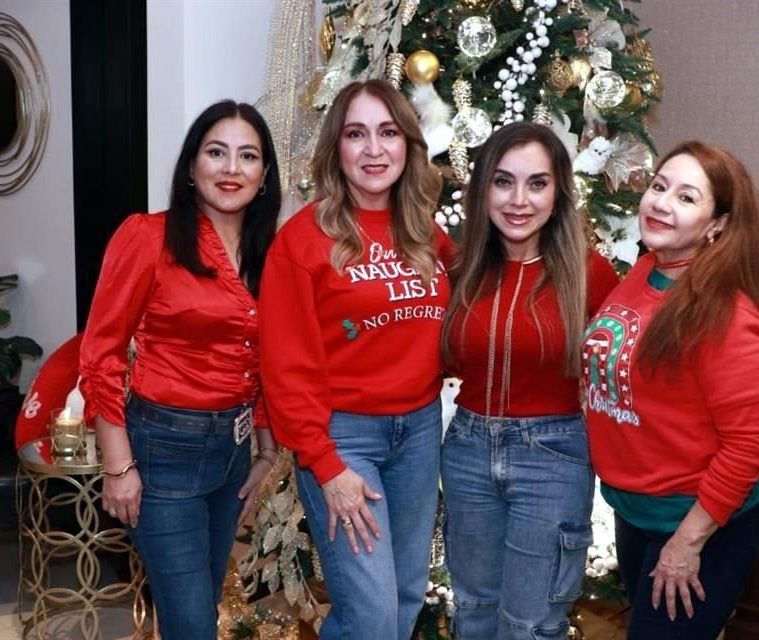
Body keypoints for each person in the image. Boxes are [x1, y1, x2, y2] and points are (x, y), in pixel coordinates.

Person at [78, 100, 282, 640]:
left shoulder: (272, 254)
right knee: (192, 624)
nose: (231, 168)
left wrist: (264, 451)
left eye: (248, 156)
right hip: (164, 452)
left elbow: (265, 363)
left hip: (234, 456)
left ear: (264, 175)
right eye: (216, 152)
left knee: (199, 611)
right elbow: (99, 354)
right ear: (192, 166)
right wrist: (118, 466)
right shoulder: (148, 237)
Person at [257, 79, 451, 639]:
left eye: (388, 133)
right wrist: (326, 465)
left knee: (405, 596)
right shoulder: (302, 241)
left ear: (408, 145)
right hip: (343, 441)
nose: (373, 149)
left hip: (417, 432)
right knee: (370, 617)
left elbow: (474, 305)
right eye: (356, 134)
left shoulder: (424, 233)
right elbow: (284, 366)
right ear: (335, 149)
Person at [582, 141, 759, 639]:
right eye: (659, 187)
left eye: (688, 197)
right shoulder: (645, 271)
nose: (662, 203)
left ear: (719, 225)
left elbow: (748, 446)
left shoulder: (727, 317)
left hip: (694, 525)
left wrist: (686, 544)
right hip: (634, 511)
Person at [439, 122, 619, 639]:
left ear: (558, 191)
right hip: (469, 453)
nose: (519, 200)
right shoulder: (461, 269)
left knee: (530, 626)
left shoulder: (590, 274)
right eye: (503, 182)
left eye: (536, 183)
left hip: (553, 458)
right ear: (483, 190)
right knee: (473, 613)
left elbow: (639, 358)